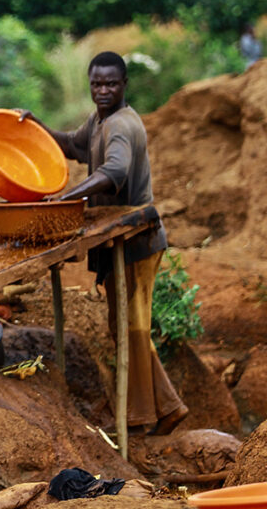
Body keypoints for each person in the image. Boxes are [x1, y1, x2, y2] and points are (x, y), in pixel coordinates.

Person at [20, 51, 188, 435]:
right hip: (120, 241)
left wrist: (67, 199)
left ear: (124, 84)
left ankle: (139, 417)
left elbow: (113, 171)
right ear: (90, 84)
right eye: (97, 84)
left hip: (137, 239)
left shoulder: (121, 126)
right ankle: (169, 407)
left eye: (111, 83)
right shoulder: (99, 121)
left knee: (131, 328)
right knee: (125, 325)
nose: (103, 90)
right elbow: (71, 146)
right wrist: (36, 126)